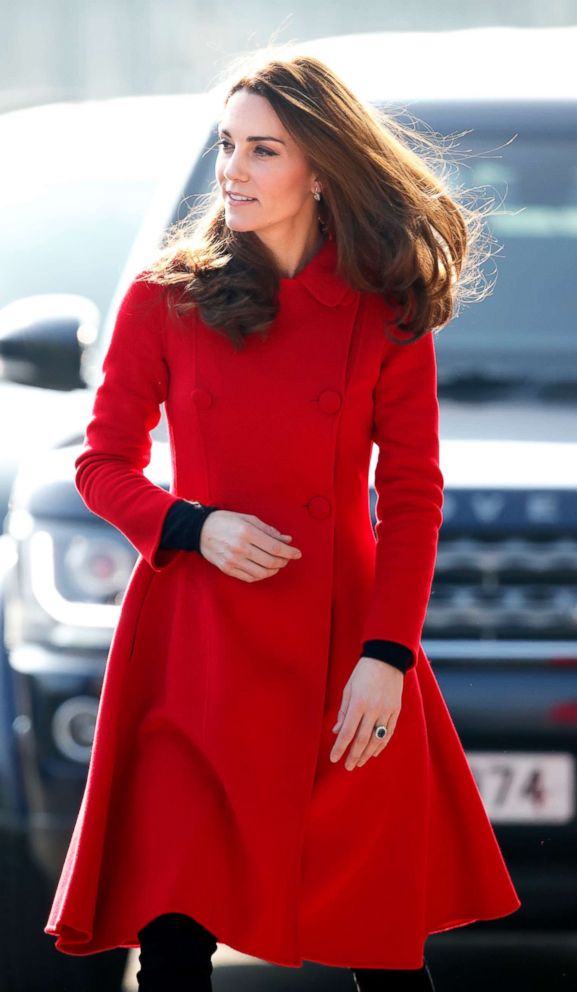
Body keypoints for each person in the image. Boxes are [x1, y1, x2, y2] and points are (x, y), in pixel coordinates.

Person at [44, 47, 521, 991]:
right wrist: (194, 526)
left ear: (321, 167)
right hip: (195, 650)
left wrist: (388, 660)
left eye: (263, 150)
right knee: (172, 934)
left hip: (344, 649)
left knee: (377, 944)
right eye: (227, 146)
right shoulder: (164, 299)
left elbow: (415, 498)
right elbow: (102, 466)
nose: (233, 171)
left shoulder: (385, 312)